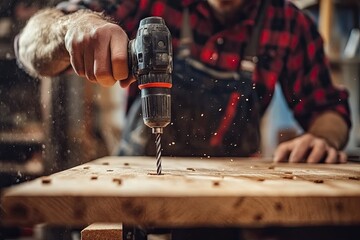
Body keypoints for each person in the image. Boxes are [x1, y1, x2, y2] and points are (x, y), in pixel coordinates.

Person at [16, 0, 351, 163]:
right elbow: (30, 47)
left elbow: (329, 109)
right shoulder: (148, 3)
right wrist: (70, 28)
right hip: (137, 182)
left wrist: (322, 139)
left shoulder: (290, 23)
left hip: (231, 197)